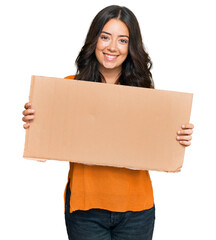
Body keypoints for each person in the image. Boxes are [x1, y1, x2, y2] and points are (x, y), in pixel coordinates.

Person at [22, 5, 194, 240]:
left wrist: (178, 138)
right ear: (94, 40)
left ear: (130, 47)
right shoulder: (69, 88)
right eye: (105, 37)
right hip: (85, 211)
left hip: (137, 210)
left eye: (122, 40)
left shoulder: (146, 93)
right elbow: (44, 150)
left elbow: (157, 149)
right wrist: (37, 123)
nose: (112, 47)